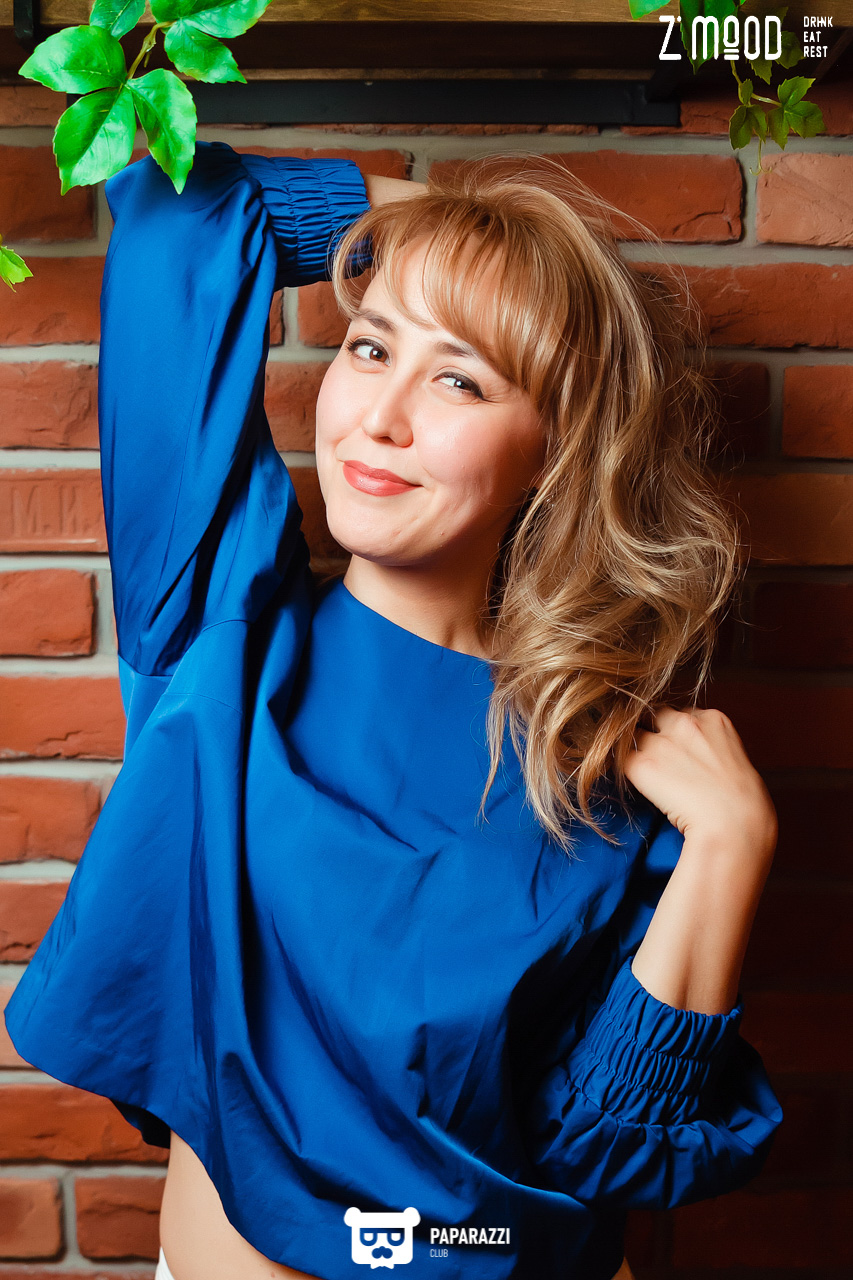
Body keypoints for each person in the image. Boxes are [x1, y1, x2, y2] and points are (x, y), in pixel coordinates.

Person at [3, 139, 783, 1280]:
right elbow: (184, 212)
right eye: (370, 347)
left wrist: (731, 842)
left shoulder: (609, 765)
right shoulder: (221, 638)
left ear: (555, 448)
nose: (380, 416)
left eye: (459, 379)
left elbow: (602, 1147)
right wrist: (473, 236)